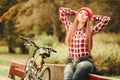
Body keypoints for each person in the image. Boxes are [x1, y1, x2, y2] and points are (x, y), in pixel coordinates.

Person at [59, 6, 110, 80]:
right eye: (81, 13)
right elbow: (62, 11)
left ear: (88, 19)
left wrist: (92, 17)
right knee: (67, 76)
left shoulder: (90, 31)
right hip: (72, 62)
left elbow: (106, 20)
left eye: (86, 14)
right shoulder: (70, 27)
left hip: (86, 62)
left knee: (80, 67)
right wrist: (76, 13)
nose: (82, 15)